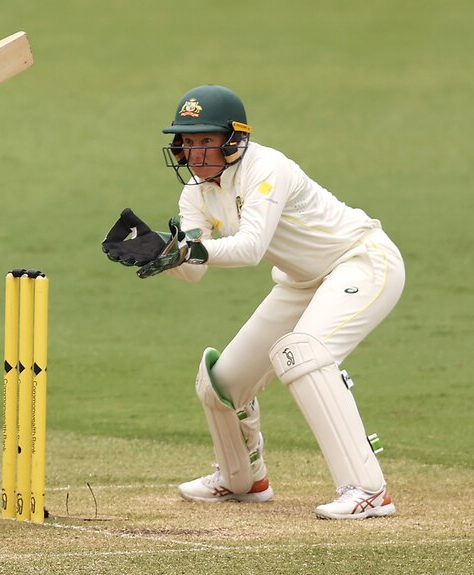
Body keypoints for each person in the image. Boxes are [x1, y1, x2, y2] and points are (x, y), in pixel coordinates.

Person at [102, 84, 404, 520]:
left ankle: (369, 490)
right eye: (187, 142)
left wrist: (188, 250)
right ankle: (242, 479)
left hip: (362, 261)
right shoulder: (195, 194)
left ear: (233, 139)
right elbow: (195, 270)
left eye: (206, 140)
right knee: (221, 383)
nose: (195, 152)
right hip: (302, 281)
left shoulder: (267, 167)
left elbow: (249, 248)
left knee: (301, 352)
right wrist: (165, 253)